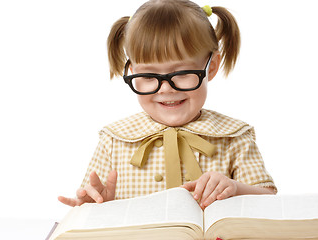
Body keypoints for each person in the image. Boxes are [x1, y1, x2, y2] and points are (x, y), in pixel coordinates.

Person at [58, 0, 276, 210]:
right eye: (149, 76)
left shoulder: (234, 137)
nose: (165, 89)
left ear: (211, 67)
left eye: (181, 73)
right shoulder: (113, 141)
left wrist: (236, 189)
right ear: (133, 72)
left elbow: (270, 202)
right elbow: (90, 198)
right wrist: (93, 207)